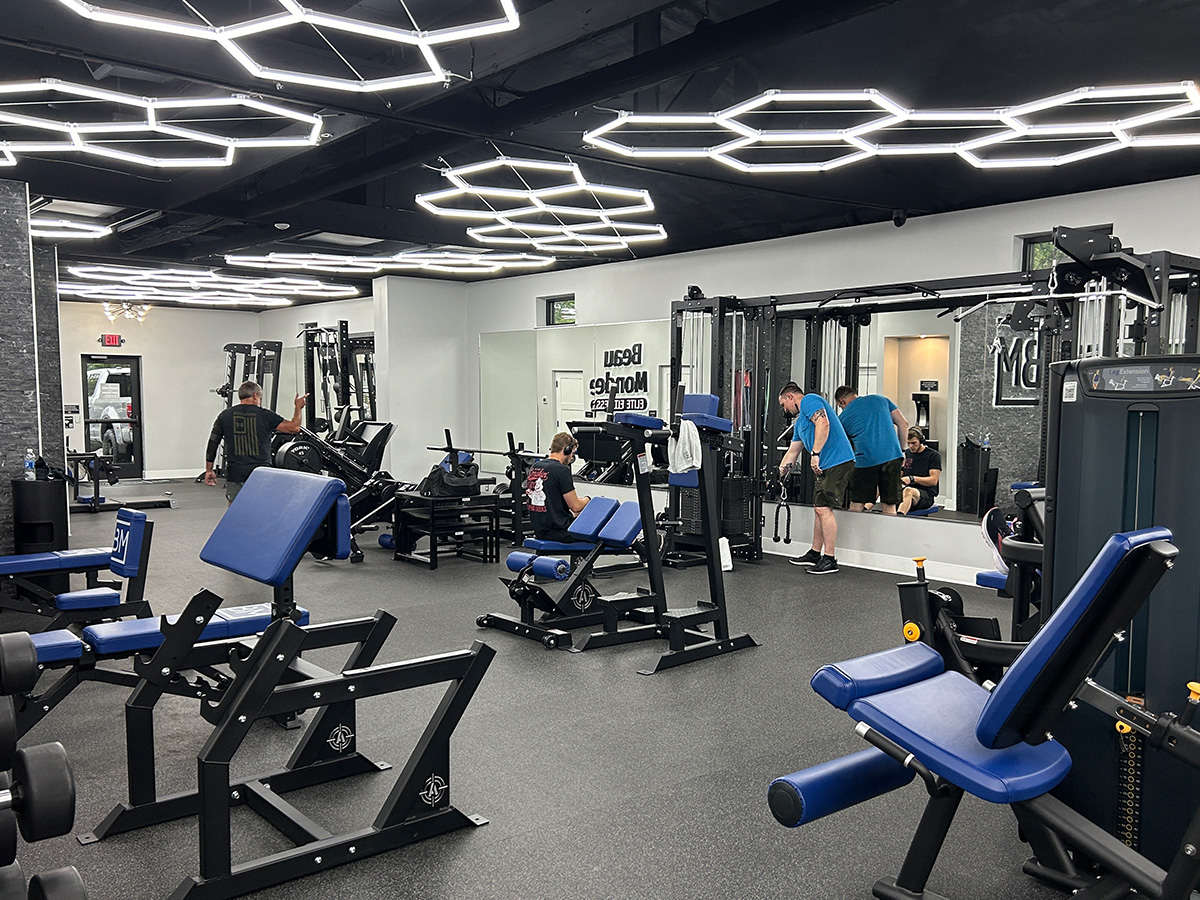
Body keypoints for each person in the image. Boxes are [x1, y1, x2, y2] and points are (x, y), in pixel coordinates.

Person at [777, 382, 855, 574]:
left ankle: (829, 559)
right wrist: (778, 476)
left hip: (838, 461)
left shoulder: (809, 400)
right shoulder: (800, 423)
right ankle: (814, 553)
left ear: (790, 397)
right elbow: (793, 452)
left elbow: (823, 423)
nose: (785, 410)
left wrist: (815, 453)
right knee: (819, 509)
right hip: (826, 465)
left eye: (783, 405)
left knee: (823, 508)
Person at [205, 381, 305, 503]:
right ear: (255, 396)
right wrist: (298, 408)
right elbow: (294, 428)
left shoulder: (224, 416)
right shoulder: (265, 415)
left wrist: (209, 470)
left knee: (235, 510)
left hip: (236, 472)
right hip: (261, 473)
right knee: (262, 508)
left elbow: (213, 443)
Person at [834, 386, 909, 515]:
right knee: (889, 505)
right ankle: (888, 528)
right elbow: (903, 423)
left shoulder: (842, 418)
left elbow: (841, 446)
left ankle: (854, 529)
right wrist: (903, 450)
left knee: (857, 504)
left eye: (840, 406)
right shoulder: (880, 399)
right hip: (892, 457)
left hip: (865, 461)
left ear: (842, 401)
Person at [525, 432, 590, 542]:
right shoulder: (562, 470)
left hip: (540, 530)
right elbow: (576, 507)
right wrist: (588, 499)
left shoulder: (535, 467)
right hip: (562, 532)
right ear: (567, 450)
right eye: (572, 453)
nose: (571, 457)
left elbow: (553, 497)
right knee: (599, 529)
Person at [898, 426, 942, 515]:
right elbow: (900, 475)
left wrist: (912, 479)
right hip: (905, 491)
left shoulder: (933, 455)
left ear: (921, 441)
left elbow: (933, 481)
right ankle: (867, 511)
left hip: (925, 495)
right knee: (881, 486)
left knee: (909, 491)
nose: (911, 446)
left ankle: (898, 518)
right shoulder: (906, 454)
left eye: (914, 443)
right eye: (908, 443)